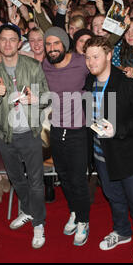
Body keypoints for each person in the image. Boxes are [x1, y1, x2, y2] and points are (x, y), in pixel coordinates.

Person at [83, 36, 133, 263]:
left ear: (107, 56)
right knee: (114, 198)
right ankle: (122, 232)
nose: (91, 62)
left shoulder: (127, 80)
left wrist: (119, 129)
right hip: (101, 154)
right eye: (87, 57)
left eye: (95, 56)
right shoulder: (88, 82)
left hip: (128, 153)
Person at [0, 23, 50, 249]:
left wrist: (35, 99)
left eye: (13, 39)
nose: (8, 43)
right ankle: (29, 210)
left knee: (36, 181)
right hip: (6, 135)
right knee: (16, 178)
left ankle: (39, 223)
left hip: (30, 133)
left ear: (20, 43)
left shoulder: (32, 65)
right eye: (4, 39)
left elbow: (47, 98)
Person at [42, 26, 91, 246]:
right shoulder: (45, 64)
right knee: (64, 177)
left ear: (65, 44)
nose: (52, 49)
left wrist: (129, 72)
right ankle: (74, 211)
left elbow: (103, 62)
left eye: (56, 44)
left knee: (79, 179)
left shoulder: (81, 62)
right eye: (48, 44)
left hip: (79, 130)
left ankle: (83, 220)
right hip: (56, 128)